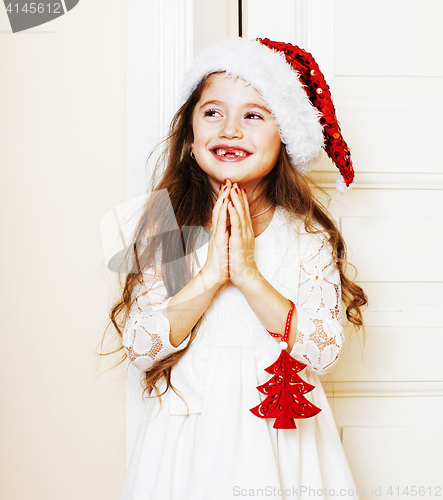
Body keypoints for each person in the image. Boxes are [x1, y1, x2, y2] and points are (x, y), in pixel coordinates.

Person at [110, 37, 368, 500]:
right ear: (191, 139)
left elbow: (323, 350)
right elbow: (141, 347)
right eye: (213, 112)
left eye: (253, 115)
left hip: (282, 441)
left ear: (285, 136)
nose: (230, 128)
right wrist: (211, 276)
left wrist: (248, 274)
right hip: (187, 443)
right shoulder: (166, 227)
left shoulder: (305, 237)